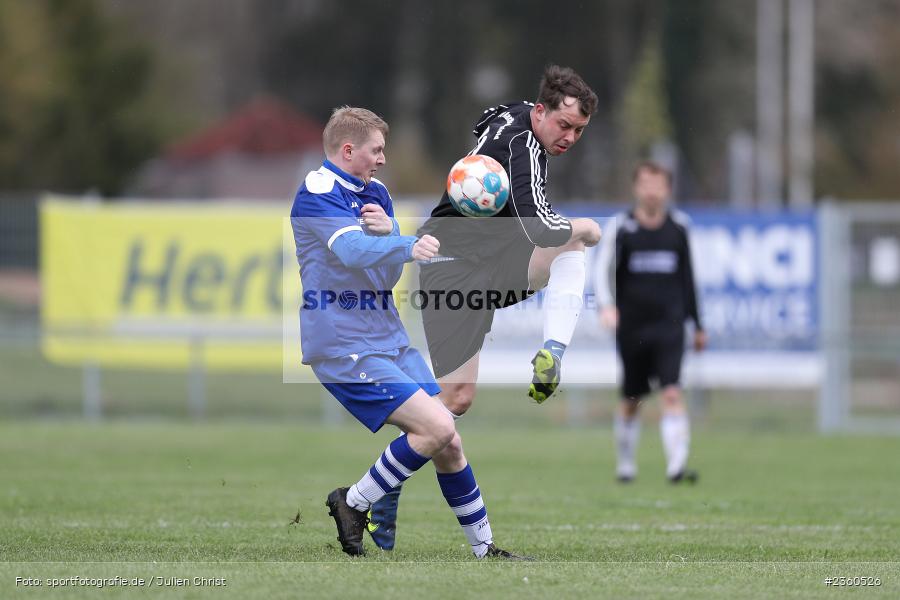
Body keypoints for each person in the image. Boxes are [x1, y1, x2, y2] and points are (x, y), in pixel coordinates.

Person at [368, 65, 603, 549]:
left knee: (569, 252)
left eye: (580, 130)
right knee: (455, 401)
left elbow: (490, 120)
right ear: (541, 112)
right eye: (564, 125)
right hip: (449, 264)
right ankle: (379, 489)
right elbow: (541, 228)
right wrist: (587, 226)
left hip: (487, 263)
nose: (571, 137)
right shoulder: (523, 146)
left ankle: (552, 355)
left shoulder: (517, 123)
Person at [291, 106, 528, 559]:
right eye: (376, 150)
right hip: (342, 343)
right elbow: (354, 251)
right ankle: (356, 500)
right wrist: (402, 242)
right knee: (436, 425)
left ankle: (485, 550)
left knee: (448, 440)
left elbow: (383, 273)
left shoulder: (377, 193)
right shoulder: (316, 191)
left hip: (387, 338)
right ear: (347, 150)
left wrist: (393, 234)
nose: (383, 158)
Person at [594, 160, 706, 484]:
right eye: (646, 184)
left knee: (671, 392)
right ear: (636, 188)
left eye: (658, 185)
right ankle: (626, 465)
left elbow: (689, 279)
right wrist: (606, 306)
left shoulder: (680, 228)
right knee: (632, 399)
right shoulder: (622, 227)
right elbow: (603, 272)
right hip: (632, 329)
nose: (652, 191)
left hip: (670, 326)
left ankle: (676, 466)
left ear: (667, 189)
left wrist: (698, 325)